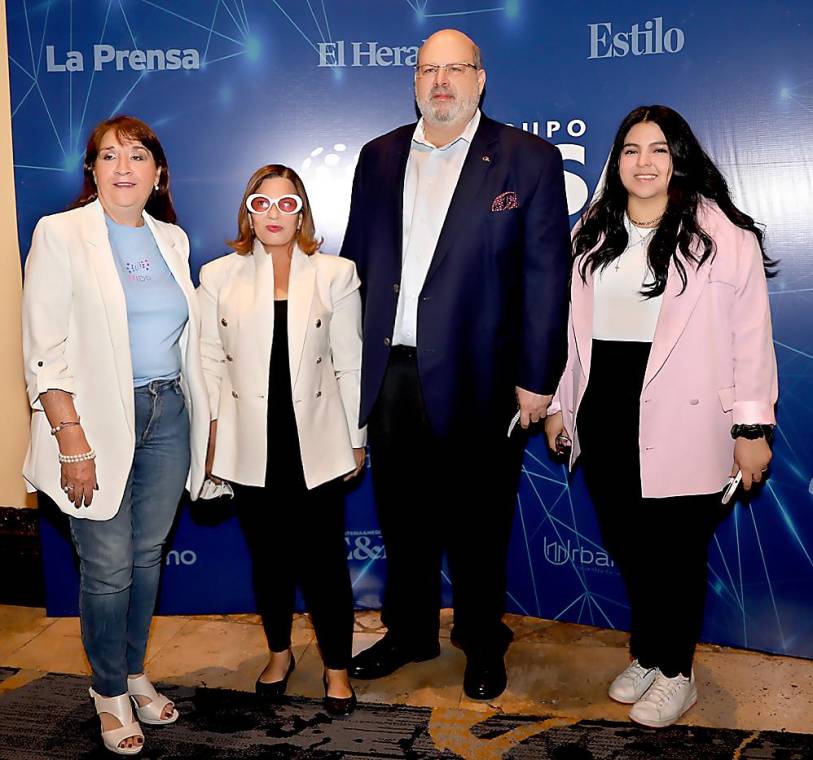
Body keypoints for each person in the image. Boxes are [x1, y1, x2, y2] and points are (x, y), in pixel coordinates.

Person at [340, 29, 571, 700]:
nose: (440, 81)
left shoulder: (527, 158)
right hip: (391, 375)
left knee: (479, 521)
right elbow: (356, 263)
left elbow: (545, 273)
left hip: (485, 377)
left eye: (454, 69)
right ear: (413, 81)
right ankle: (410, 632)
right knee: (401, 518)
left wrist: (537, 376)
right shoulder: (377, 156)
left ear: (480, 79)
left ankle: (479, 638)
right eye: (427, 70)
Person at [545, 105, 778, 728]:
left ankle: (678, 673)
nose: (643, 163)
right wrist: (563, 406)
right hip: (606, 408)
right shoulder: (592, 232)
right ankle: (649, 654)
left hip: (688, 414)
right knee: (630, 546)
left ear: (679, 158)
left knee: (674, 554)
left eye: (657, 150)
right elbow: (572, 334)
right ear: (615, 160)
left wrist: (752, 429)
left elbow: (751, 337)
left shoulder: (724, 235)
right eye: (630, 150)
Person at [21, 115, 209, 755]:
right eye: (108, 157)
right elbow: (43, 348)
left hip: (167, 415)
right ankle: (107, 690)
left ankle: (132, 670)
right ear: (93, 171)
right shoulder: (61, 234)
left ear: (158, 173)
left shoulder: (172, 239)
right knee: (105, 569)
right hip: (93, 420)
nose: (123, 168)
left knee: (145, 559)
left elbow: (188, 344)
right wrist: (70, 440)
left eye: (136, 156)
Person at [198, 164, 365, 716]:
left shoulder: (335, 274)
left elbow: (351, 366)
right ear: (248, 212)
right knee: (268, 561)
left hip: (315, 443)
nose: (274, 214)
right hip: (249, 445)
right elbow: (207, 364)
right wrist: (213, 438)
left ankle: (337, 668)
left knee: (324, 564)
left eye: (286, 204)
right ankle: (279, 653)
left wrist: (357, 440)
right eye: (261, 203)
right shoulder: (218, 276)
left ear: (302, 213)